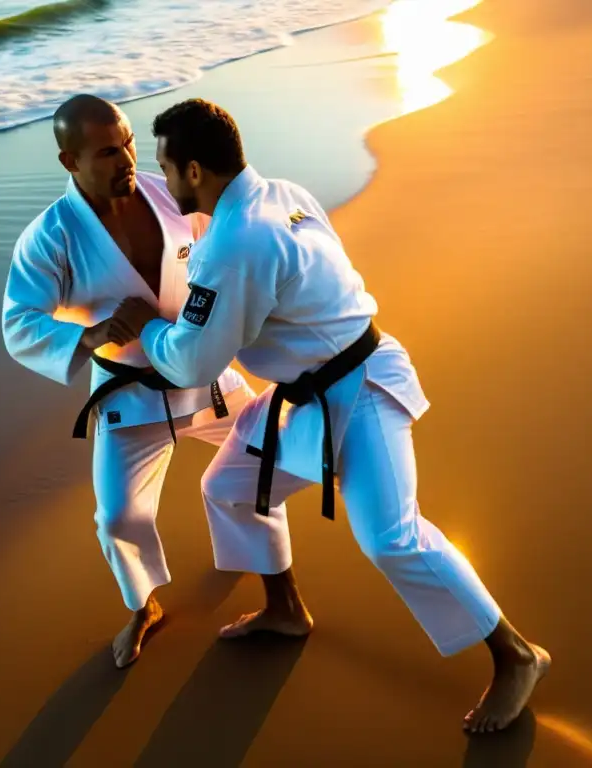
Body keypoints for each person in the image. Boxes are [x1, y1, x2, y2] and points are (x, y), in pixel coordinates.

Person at [111, 98, 550, 732]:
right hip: (311, 391)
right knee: (229, 486)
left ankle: (515, 656)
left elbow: (192, 364)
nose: (164, 181)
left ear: (197, 171)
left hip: (363, 388)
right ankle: (285, 607)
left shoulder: (233, 245)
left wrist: (150, 326)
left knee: (391, 537)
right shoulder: (282, 194)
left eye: (166, 168)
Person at [1, 94, 299, 668]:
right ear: (71, 161)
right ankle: (143, 607)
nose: (128, 160)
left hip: (206, 377)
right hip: (128, 396)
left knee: (259, 464)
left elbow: (236, 235)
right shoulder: (51, 237)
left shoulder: (170, 195)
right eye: (109, 152)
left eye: (131, 143)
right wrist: (87, 338)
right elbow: (18, 322)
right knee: (117, 517)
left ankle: (282, 597)